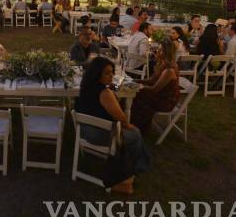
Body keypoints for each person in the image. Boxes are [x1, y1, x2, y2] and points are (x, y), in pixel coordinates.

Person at [74, 57, 150, 194]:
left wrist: (113, 89)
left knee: (133, 134)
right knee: (135, 133)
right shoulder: (105, 94)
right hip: (99, 134)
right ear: (97, 74)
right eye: (107, 73)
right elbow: (122, 118)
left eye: (112, 72)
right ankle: (128, 178)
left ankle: (137, 168)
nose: (111, 76)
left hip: (84, 130)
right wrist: (128, 125)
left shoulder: (86, 86)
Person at [131, 38, 180, 135]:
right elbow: (151, 81)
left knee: (136, 95)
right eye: (158, 49)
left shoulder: (169, 70)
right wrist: (135, 81)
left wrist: (139, 87)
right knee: (134, 94)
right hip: (160, 95)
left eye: (161, 50)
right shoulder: (163, 63)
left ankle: (139, 127)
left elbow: (154, 90)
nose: (157, 51)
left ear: (167, 53)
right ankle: (135, 124)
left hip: (166, 101)